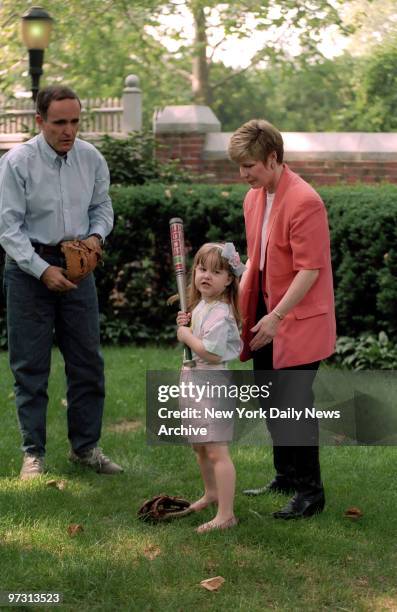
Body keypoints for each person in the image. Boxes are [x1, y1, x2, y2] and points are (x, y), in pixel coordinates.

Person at [0, 85, 123, 479]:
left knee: (87, 362)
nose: (68, 130)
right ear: (40, 121)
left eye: (74, 121)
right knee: (30, 366)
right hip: (28, 271)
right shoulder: (17, 163)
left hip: (78, 268)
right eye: (59, 122)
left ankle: (85, 449)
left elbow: (101, 207)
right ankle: (33, 455)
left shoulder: (91, 158)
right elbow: (8, 228)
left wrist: (95, 237)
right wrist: (41, 269)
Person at [228, 119, 336, 519]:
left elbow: (310, 270)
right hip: (265, 313)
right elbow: (259, 257)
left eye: (249, 166)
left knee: (292, 403)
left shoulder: (306, 201)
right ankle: (286, 476)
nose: (243, 174)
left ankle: (311, 494)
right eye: (239, 166)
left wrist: (276, 316)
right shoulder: (255, 197)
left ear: (272, 159)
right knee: (269, 398)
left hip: (298, 317)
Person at [176, 242, 245, 533]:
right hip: (193, 382)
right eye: (202, 269)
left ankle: (226, 515)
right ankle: (212, 493)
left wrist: (186, 335)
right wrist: (187, 322)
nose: (206, 276)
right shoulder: (203, 306)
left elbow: (212, 353)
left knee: (217, 451)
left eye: (216, 272)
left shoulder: (222, 313)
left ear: (229, 279)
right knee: (201, 448)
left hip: (211, 385)